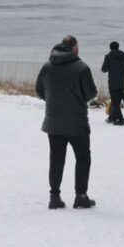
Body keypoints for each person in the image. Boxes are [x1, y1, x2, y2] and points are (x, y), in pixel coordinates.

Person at [35, 35, 98, 210]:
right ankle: (81, 195)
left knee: (56, 159)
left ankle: (54, 197)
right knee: (83, 158)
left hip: (53, 121)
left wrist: (52, 100)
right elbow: (91, 93)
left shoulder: (48, 66)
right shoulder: (81, 68)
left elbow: (39, 89)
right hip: (76, 121)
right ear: (75, 49)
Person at [101, 41, 124, 125]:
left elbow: (103, 69)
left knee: (116, 103)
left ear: (110, 48)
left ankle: (120, 120)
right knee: (116, 102)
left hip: (113, 83)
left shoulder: (108, 56)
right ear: (118, 47)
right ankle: (112, 118)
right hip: (123, 83)